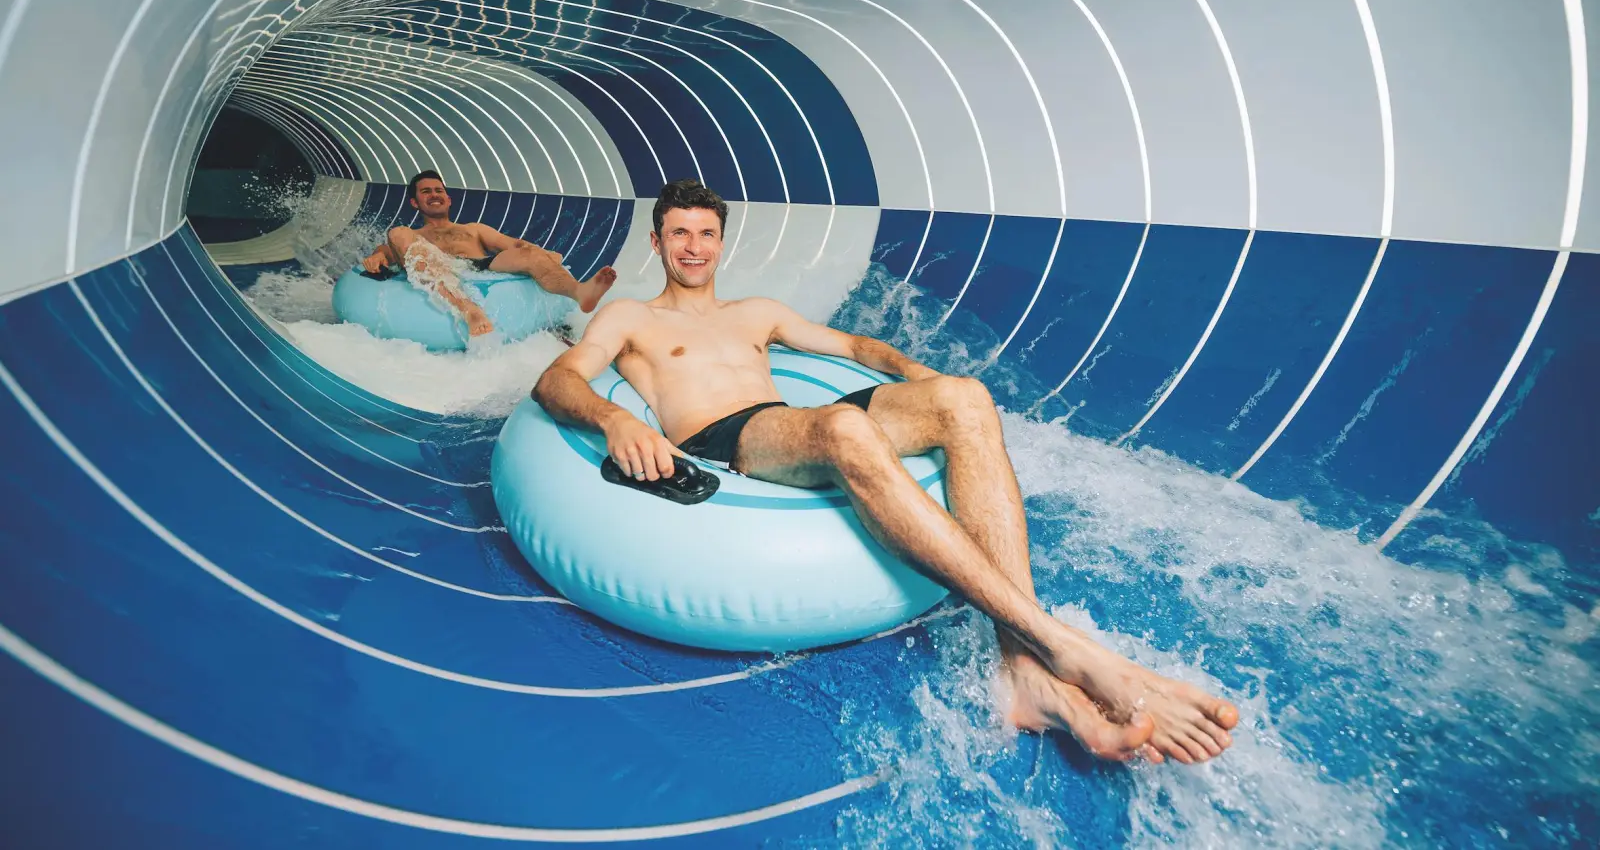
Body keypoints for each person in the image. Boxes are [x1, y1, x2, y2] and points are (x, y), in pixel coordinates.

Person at [532, 179, 1239, 765]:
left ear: (722, 241)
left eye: (705, 234)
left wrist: (916, 373)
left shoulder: (758, 312)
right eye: (679, 234)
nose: (693, 247)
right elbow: (558, 382)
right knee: (844, 426)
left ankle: (1023, 670)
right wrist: (618, 420)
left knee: (965, 400)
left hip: (787, 416)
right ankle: (1063, 647)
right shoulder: (630, 318)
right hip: (728, 438)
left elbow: (856, 345)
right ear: (656, 241)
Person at [363, 170, 618, 336]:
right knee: (397, 232)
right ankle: (469, 309)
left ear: (449, 199)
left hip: (479, 267)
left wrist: (544, 254)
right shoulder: (414, 236)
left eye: (439, 190)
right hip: (438, 267)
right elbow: (389, 250)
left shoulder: (473, 229)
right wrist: (378, 257)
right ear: (415, 202)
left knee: (527, 251)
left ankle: (580, 292)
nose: (434, 195)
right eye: (426, 192)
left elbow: (513, 244)